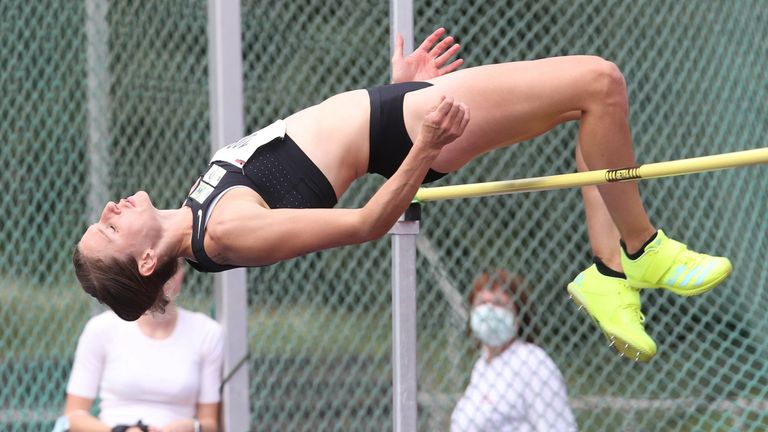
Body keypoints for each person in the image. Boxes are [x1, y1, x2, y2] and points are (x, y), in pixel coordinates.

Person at [73, 27, 732, 361]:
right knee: (600, 82)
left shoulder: (196, 209)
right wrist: (417, 137)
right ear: (147, 264)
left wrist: (390, 91)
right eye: (108, 232)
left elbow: (313, 155)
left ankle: (611, 272)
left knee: (587, 107)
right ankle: (641, 251)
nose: (109, 211)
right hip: (407, 129)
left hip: (396, 118)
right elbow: (364, 224)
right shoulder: (222, 233)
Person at [63, 264, 222, 432]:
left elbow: (210, 423)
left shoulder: (207, 332)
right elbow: (73, 417)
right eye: (157, 269)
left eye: (172, 269)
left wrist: (191, 427)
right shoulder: (101, 329)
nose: (165, 279)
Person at [451, 270, 576, 431]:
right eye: (482, 303)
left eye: (498, 304)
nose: (488, 311)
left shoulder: (531, 361)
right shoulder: (481, 367)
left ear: (518, 313)